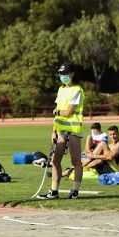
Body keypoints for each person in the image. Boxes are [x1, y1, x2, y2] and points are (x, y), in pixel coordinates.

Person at [43, 63, 84, 200]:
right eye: (61, 74)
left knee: (75, 161)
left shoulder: (77, 90)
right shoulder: (61, 90)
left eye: (65, 74)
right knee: (55, 160)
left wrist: (57, 112)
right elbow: (58, 112)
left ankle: (74, 191)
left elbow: (68, 112)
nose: (62, 76)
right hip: (60, 130)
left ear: (72, 74)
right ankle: (54, 191)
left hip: (73, 130)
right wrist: (53, 131)